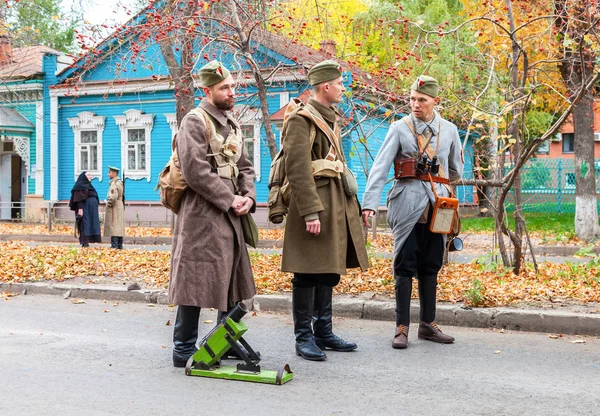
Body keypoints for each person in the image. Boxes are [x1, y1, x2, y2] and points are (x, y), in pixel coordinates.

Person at [361, 75, 464, 349]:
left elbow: (455, 170)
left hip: (438, 207)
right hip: (407, 204)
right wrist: (370, 203)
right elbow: (380, 167)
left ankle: (428, 325)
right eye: (412, 99)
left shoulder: (450, 130)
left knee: (431, 264)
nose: (415, 104)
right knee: (404, 266)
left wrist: (439, 185)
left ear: (435, 101)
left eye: (422, 100)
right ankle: (401, 328)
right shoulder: (399, 128)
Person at [168, 60, 256, 368]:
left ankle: (223, 341)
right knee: (195, 278)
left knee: (231, 278)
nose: (232, 92)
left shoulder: (231, 123)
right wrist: (229, 199)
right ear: (207, 91)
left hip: (229, 212)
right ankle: (183, 348)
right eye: (224, 88)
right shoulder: (194, 121)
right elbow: (195, 172)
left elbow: (244, 167)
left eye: (233, 86)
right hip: (201, 214)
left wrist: (248, 197)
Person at [281, 60, 369, 362]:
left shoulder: (331, 119)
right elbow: (297, 169)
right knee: (307, 271)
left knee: (328, 270)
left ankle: (324, 332)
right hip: (315, 204)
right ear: (326, 86)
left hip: (335, 202)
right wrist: (309, 212)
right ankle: (303, 337)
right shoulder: (301, 119)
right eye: (340, 84)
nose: (343, 89)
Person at [69, 171, 102, 248]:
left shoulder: (89, 186)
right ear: (84, 177)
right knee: (84, 225)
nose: (91, 176)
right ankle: (84, 241)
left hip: (91, 210)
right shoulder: (79, 186)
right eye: (89, 175)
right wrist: (80, 209)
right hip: (84, 209)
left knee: (90, 224)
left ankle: (89, 240)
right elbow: (78, 198)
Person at [104, 166, 125, 249]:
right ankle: (120, 244)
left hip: (114, 206)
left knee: (114, 225)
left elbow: (113, 197)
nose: (108, 174)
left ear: (114, 173)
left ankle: (114, 245)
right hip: (119, 205)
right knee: (119, 225)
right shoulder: (119, 182)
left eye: (109, 172)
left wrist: (108, 204)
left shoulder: (114, 183)